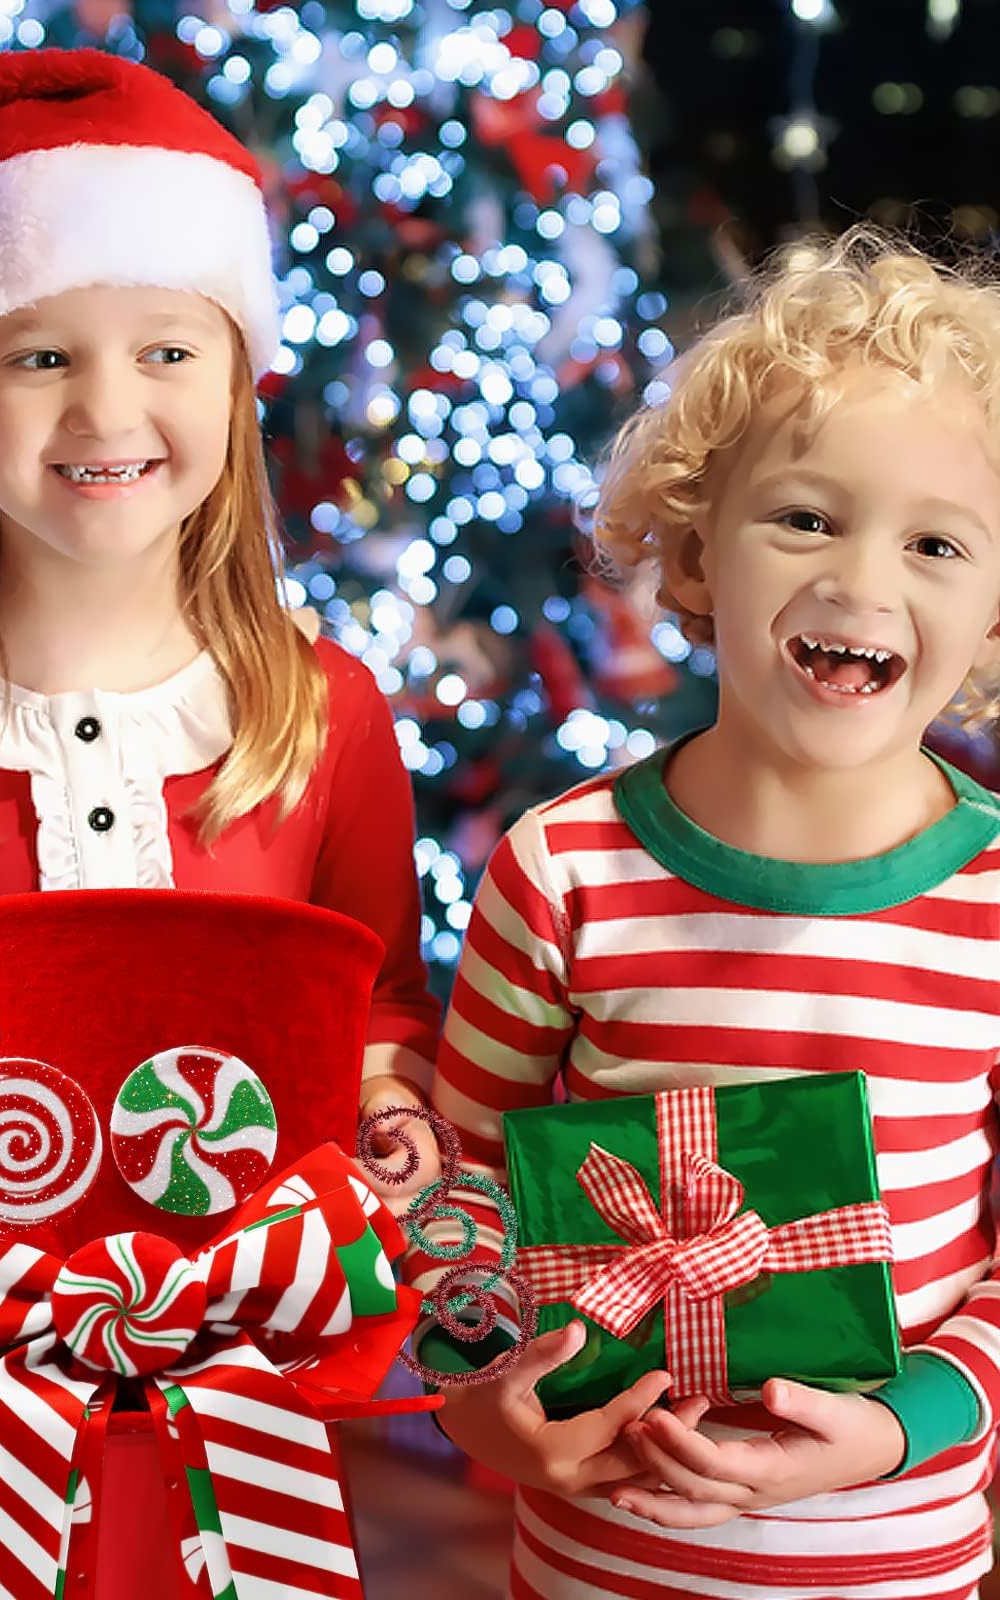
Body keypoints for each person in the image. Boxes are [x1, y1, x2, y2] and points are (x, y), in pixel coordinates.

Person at [0, 46, 441, 1600]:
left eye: (167, 352)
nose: (107, 410)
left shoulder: (323, 717)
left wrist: (392, 1117)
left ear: (241, 375)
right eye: (39, 356)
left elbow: (378, 1004)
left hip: (244, 1395)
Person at [422, 226, 1000, 1599]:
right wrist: (476, 1399)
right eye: (803, 517)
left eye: (935, 543)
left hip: (895, 1564)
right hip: (594, 1567)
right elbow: (453, 1204)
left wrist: (899, 1426)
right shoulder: (562, 873)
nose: (862, 582)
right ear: (688, 557)